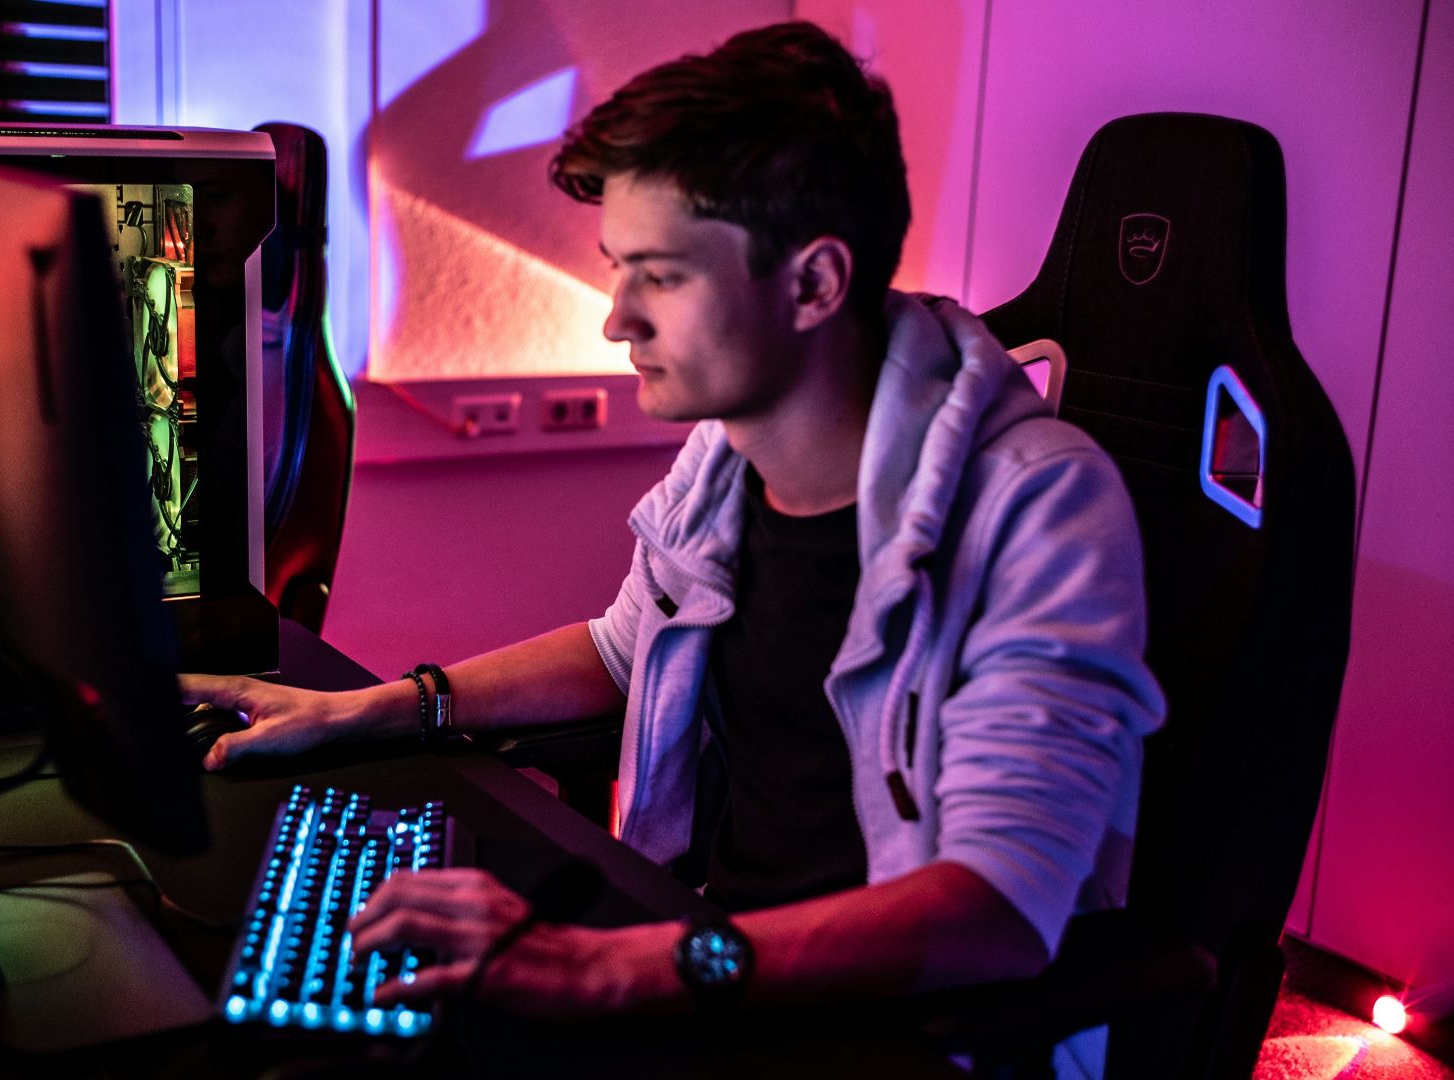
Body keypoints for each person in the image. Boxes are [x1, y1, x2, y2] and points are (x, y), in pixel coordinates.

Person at [180, 17, 1164, 1055]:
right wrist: (366, 711)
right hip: (707, 956)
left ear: (814, 284)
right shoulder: (730, 457)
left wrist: (606, 966)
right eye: (618, 268)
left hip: (895, 1029)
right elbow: (624, 645)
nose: (616, 318)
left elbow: (997, 912)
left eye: (661, 274)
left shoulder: (1037, 507)